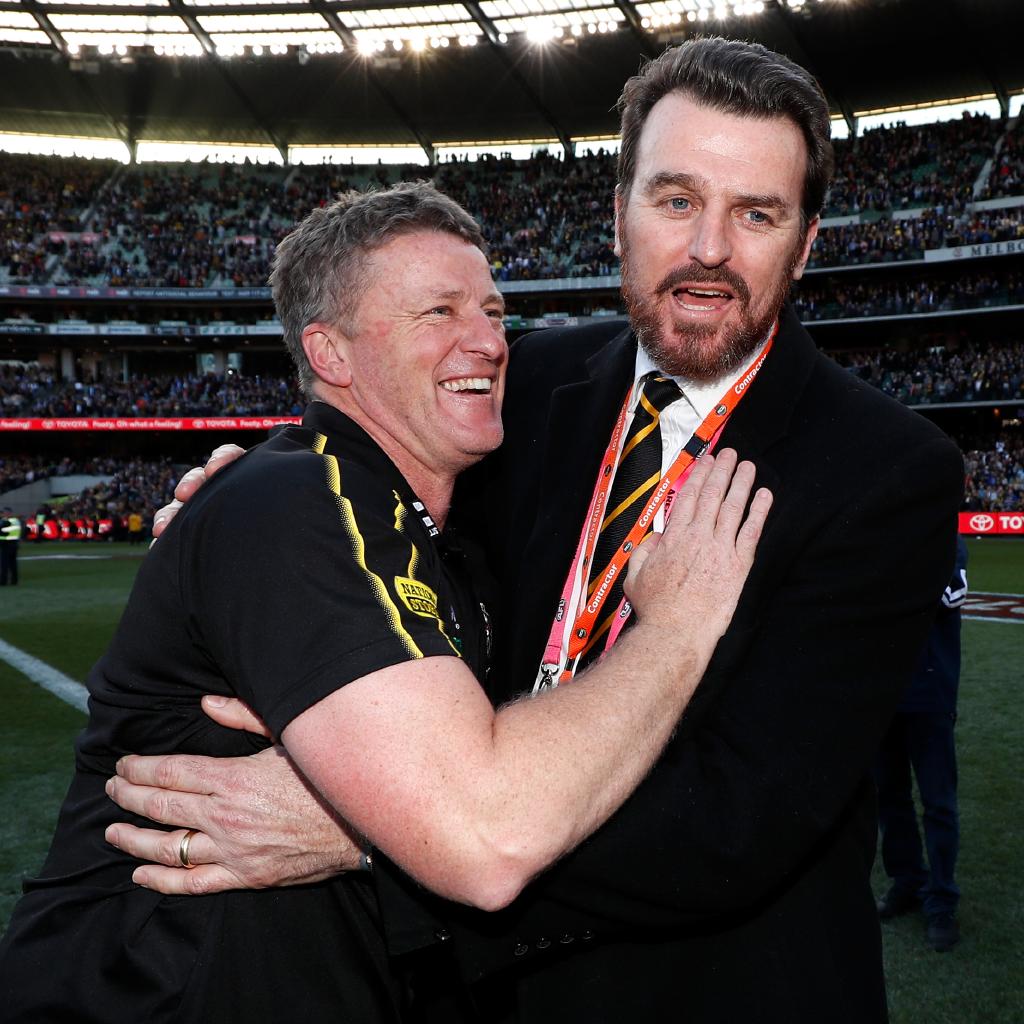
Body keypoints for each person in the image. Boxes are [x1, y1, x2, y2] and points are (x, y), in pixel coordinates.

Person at [104, 38, 963, 1023]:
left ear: (805, 242)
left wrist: (377, 831)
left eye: (755, 213)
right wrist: (253, 498)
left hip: (712, 991)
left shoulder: (886, 468)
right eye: (675, 200)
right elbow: (376, 477)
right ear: (619, 216)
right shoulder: (531, 376)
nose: (710, 249)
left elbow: (737, 817)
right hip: (474, 992)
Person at [0, 182, 769, 1023]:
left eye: (491, 308)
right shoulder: (294, 501)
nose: (487, 340)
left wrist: (359, 834)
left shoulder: (441, 539)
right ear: (331, 355)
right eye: (438, 313)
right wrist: (679, 626)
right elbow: (484, 840)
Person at [875, 535, 969, 952]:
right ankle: (907, 881)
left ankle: (942, 900)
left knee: (938, 803)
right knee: (889, 798)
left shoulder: (948, 540)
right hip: (883, 694)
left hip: (930, 695)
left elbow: (950, 595)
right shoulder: (883, 532)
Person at [0, 507, 21, 585]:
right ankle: (14, 581)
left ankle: (3, 581)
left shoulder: (6, 521)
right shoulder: (16, 521)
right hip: (14, 544)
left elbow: (4, 532)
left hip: (6, 544)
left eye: (5, 513)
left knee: (4, 564)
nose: (3, 514)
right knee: (13, 564)